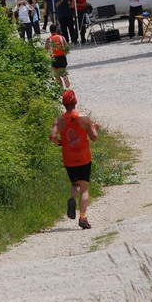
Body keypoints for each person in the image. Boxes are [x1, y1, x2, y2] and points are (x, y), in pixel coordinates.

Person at [50, 89, 98, 229]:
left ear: (63, 104)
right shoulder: (84, 118)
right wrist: (95, 128)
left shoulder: (59, 120)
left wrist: (61, 142)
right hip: (83, 157)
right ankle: (83, 217)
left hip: (69, 158)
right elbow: (94, 138)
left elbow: (52, 137)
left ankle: (72, 199)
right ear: (75, 102)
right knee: (85, 188)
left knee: (75, 184)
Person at [45, 23, 70, 89]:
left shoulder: (49, 40)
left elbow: (46, 49)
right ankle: (66, 79)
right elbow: (67, 47)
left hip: (54, 58)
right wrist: (64, 53)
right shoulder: (62, 37)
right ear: (57, 30)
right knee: (63, 72)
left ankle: (61, 88)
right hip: (62, 57)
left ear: (50, 31)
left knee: (57, 76)